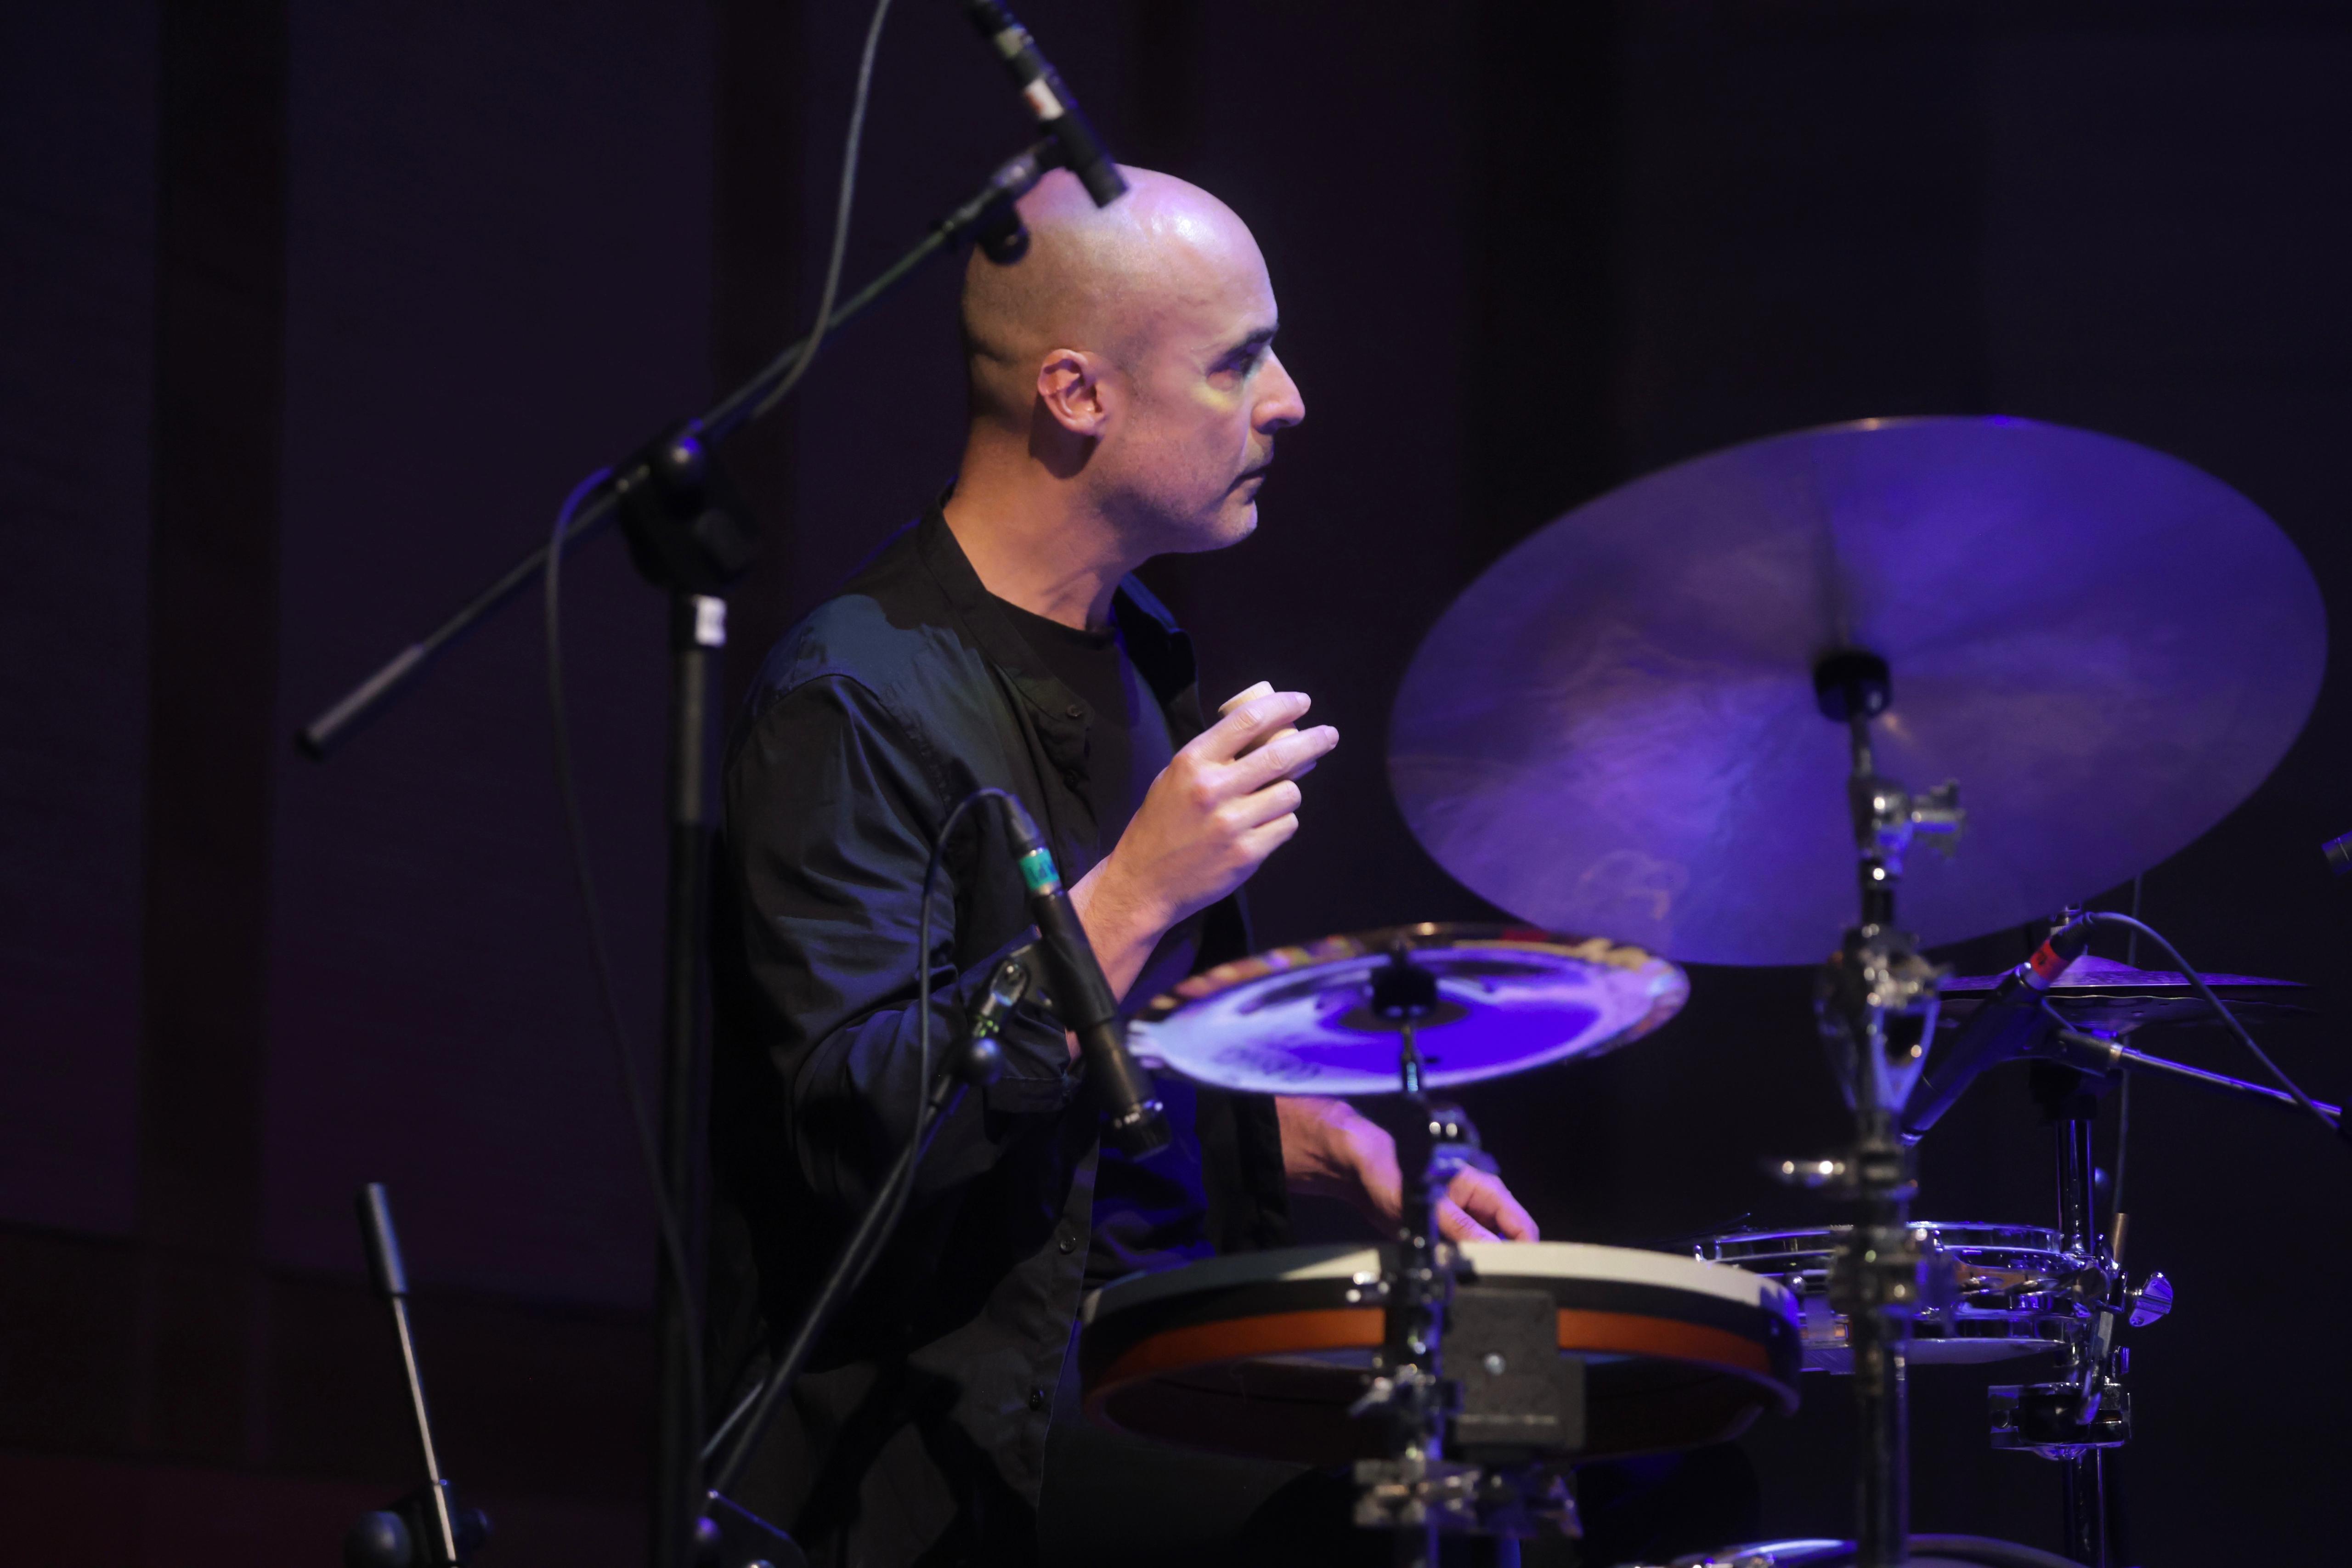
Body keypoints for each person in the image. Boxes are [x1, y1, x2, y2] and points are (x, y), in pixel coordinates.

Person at [706, 166, 1537, 1568]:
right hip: (947, 1457)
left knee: (1582, 1456)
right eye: (1237, 363)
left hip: (1141, 1366)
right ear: (1078, 394)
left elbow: (1087, 1112)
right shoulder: (850, 699)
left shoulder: (1139, 647)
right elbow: (854, 1143)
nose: (1289, 402)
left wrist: (1315, 1138)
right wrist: (1135, 893)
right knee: (1423, 1529)